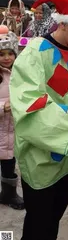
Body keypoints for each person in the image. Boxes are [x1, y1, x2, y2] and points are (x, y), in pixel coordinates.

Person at [10, 0, 68, 240]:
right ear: (62, 24)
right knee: (38, 222)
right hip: (40, 157)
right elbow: (30, 104)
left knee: (54, 215)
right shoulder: (35, 53)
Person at [0, 26, 24, 210]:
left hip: (12, 131)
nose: (7, 57)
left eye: (10, 53)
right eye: (2, 54)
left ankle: (8, 194)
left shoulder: (20, 74)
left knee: (9, 163)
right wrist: (2, 107)